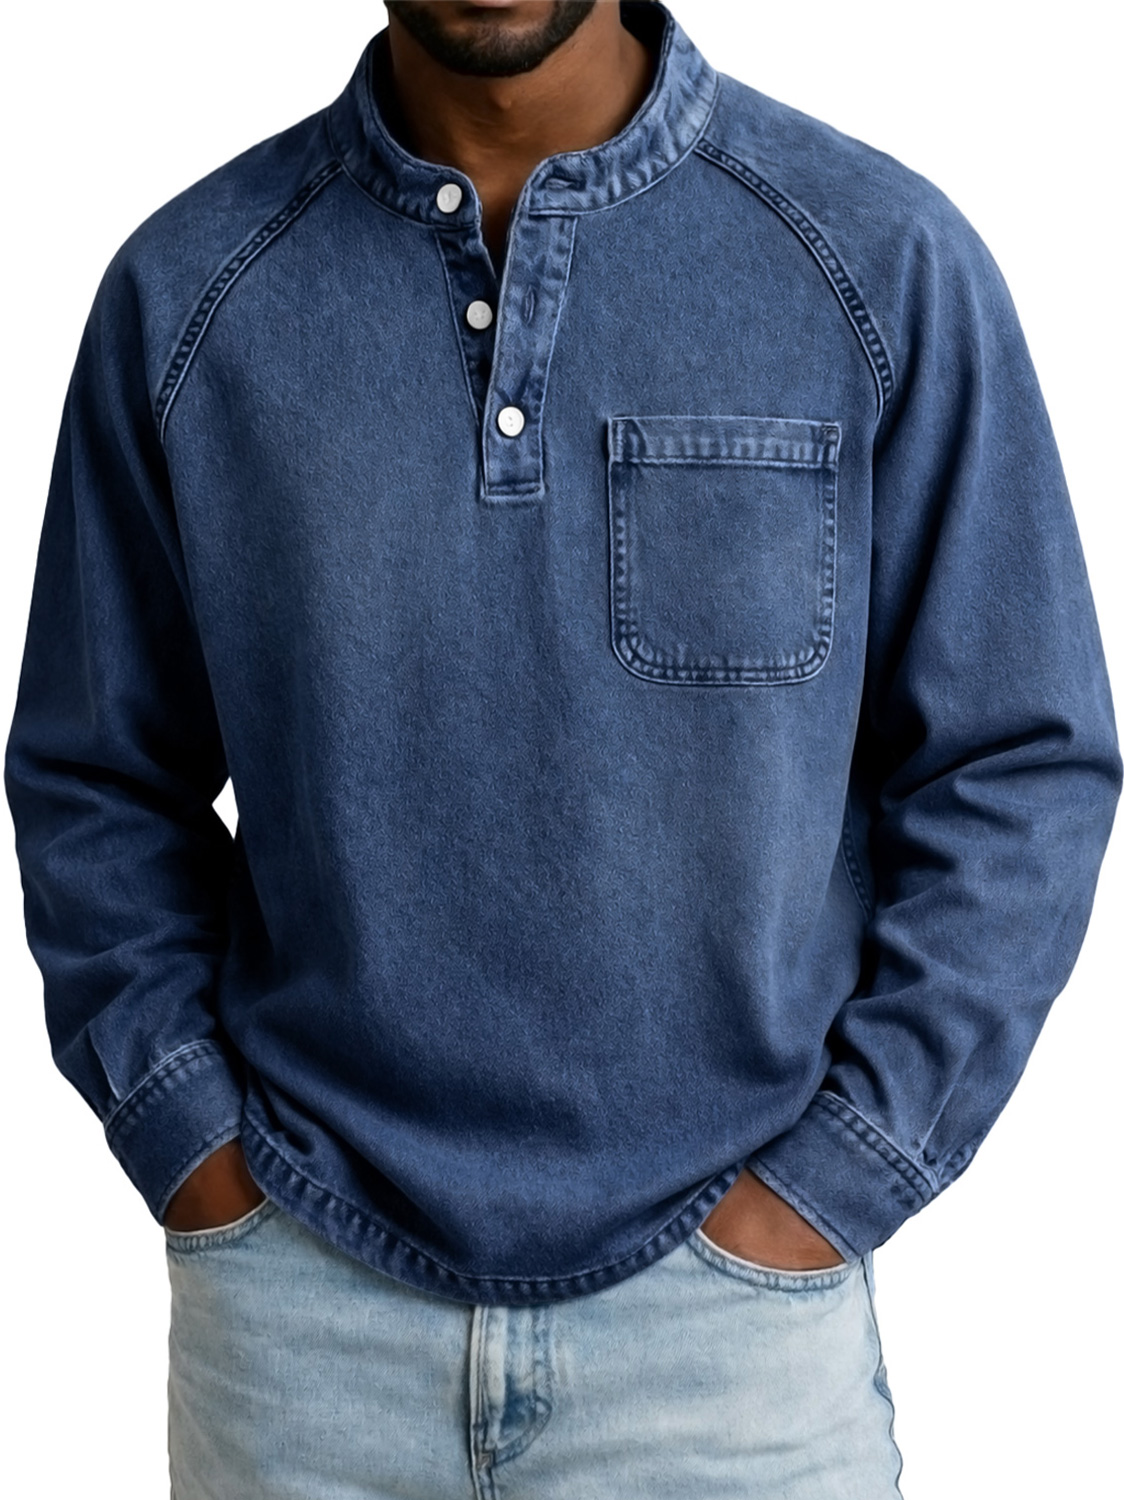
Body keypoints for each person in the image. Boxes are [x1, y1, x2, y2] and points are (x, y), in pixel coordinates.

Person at [5, 1, 1119, 1495]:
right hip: (304, 1342)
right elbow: (97, 775)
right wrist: (193, 1149)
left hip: (731, 1352)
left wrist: (843, 1174)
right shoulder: (192, 290)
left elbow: (1020, 760)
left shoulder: (880, 262)